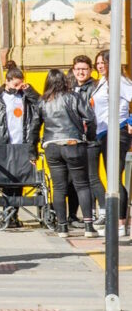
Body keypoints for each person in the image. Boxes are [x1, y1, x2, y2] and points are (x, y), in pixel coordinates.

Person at [34, 69, 98, 238]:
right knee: (82, 185)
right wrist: (89, 137)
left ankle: (62, 227)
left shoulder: (42, 101)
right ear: (64, 80)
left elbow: (33, 128)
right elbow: (90, 118)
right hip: (73, 143)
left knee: (59, 187)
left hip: (51, 145)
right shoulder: (73, 97)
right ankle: (88, 226)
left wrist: (32, 151)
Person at [0, 67, 41, 228]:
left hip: (23, 144)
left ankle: (13, 214)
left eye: (21, 84)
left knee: (19, 181)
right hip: (2, 145)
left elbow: (42, 105)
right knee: (5, 181)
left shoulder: (26, 97)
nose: (18, 88)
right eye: (16, 84)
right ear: (7, 81)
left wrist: (30, 91)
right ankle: (7, 213)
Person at [92, 50, 132, 237]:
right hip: (103, 133)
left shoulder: (120, 82)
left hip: (117, 131)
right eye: (98, 63)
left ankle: (120, 223)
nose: (100, 66)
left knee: (115, 177)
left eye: (103, 63)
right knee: (111, 177)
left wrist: (130, 121)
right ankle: (118, 221)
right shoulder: (102, 82)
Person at [70, 55, 104, 226]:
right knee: (80, 178)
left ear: (90, 70)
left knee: (91, 177)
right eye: (78, 69)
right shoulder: (71, 88)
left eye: (84, 69)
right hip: (75, 139)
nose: (81, 72)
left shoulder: (95, 88)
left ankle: (102, 212)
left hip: (91, 138)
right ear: (73, 70)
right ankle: (86, 213)